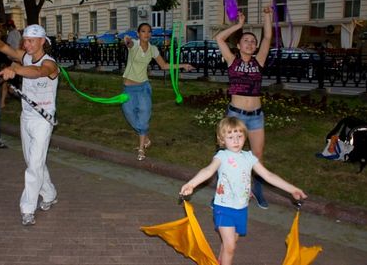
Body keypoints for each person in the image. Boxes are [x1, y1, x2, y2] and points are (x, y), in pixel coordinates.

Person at [179, 116, 307, 265]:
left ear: (245, 137)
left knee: (230, 243)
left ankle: (219, 262)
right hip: (224, 208)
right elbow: (208, 170)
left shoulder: (249, 157)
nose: (235, 140)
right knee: (230, 247)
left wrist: (292, 189)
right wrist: (192, 184)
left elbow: (268, 175)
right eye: (231, 137)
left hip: (241, 209)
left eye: (239, 136)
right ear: (222, 140)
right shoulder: (222, 156)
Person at [0, 24, 59, 226]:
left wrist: (15, 70)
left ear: (42, 41)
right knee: (33, 161)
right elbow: (2, 47)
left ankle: (27, 209)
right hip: (26, 117)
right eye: (25, 40)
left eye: (31, 40)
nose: (27, 44)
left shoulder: (50, 64)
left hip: (43, 119)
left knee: (34, 165)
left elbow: (38, 72)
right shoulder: (24, 55)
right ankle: (49, 193)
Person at [215, 7, 272, 209]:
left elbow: (267, 37)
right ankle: (222, 192)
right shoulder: (232, 60)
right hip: (236, 116)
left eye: (252, 42)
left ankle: (256, 189)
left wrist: (267, 16)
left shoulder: (259, 61)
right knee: (229, 156)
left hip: (256, 117)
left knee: (257, 156)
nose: (250, 43)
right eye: (246, 41)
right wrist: (238, 25)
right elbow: (220, 39)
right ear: (238, 45)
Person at [122, 23, 194, 161]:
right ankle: (146, 138)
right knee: (130, 116)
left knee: (143, 116)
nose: (146, 34)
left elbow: (164, 65)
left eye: (149, 32)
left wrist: (183, 65)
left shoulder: (153, 49)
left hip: (143, 87)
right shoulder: (134, 45)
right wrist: (126, 40)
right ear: (138, 33)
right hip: (128, 89)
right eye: (143, 31)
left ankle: (141, 148)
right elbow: (128, 43)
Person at [1, 20, 22, 108]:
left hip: (11, 57)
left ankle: (12, 91)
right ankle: (16, 90)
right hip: (18, 56)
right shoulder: (18, 33)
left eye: (7, 27)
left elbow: (8, 45)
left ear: (9, 27)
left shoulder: (10, 34)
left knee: (9, 76)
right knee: (16, 75)